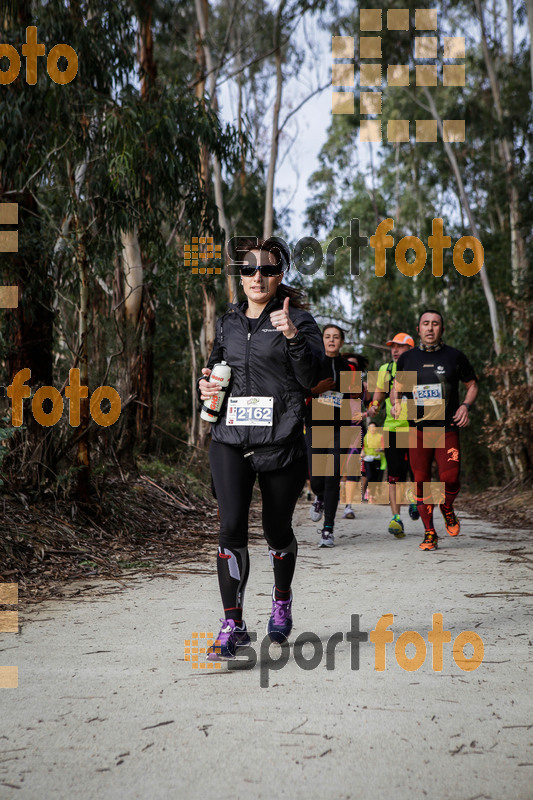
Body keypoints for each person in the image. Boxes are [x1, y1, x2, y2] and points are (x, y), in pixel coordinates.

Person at [199, 238, 323, 659]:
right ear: (240, 276)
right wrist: (206, 386)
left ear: (279, 276)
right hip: (229, 439)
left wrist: (291, 337)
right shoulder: (228, 322)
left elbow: (313, 378)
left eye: (267, 270)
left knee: (276, 530)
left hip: (281, 440)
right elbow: (217, 369)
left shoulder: (300, 320)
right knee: (230, 526)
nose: (257, 277)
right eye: (249, 270)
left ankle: (282, 598)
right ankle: (232, 624)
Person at [392, 309, 478, 551]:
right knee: (421, 483)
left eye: (435, 324)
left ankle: (447, 506)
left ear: (442, 329)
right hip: (417, 431)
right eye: (425, 324)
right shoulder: (407, 359)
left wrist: (465, 406)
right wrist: (396, 402)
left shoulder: (455, 357)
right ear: (418, 329)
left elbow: (472, 384)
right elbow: (397, 387)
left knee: (450, 479)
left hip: (447, 429)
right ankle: (430, 532)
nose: (430, 328)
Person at [305, 325, 361, 547]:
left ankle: (327, 530)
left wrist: (356, 392)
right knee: (317, 480)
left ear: (341, 342)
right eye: (327, 337)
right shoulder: (312, 363)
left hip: (340, 428)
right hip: (315, 427)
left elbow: (358, 394)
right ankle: (318, 497)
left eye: (336, 337)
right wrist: (315, 390)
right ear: (322, 340)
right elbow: (299, 389)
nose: (331, 340)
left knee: (333, 478)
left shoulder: (348, 367)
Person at [368, 332, 418, 537]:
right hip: (392, 428)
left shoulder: (419, 368)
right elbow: (378, 394)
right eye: (393, 346)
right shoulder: (385, 369)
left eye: (400, 346)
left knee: (417, 473)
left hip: (416, 428)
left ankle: (414, 502)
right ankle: (396, 518)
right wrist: (374, 406)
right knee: (393, 476)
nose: (395, 350)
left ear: (410, 349)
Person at [340, 352, 370, 517]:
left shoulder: (363, 386)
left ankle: (348, 506)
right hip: (334, 429)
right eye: (347, 365)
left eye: (355, 366)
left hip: (355, 430)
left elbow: (372, 406)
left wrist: (364, 414)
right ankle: (321, 498)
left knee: (352, 467)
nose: (351, 368)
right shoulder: (333, 382)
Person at [362, 421, 386, 486]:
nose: (372, 428)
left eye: (374, 427)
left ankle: (372, 494)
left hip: (377, 459)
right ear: (368, 428)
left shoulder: (380, 436)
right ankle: (367, 492)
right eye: (370, 427)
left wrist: (380, 450)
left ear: (376, 428)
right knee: (369, 476)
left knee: (375, 477)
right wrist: (362, 453)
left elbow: (383, 447)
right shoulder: (365, 437)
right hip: (367, 459)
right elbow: (363, 447)